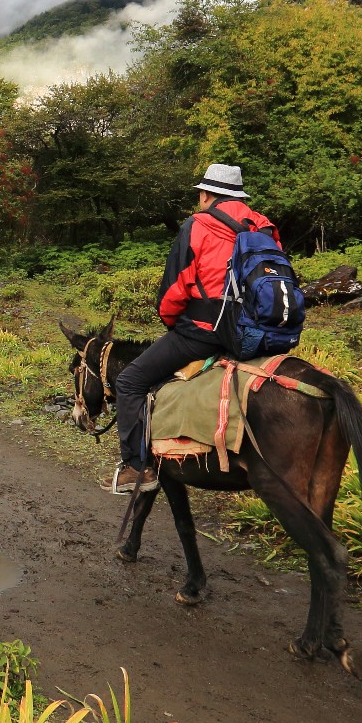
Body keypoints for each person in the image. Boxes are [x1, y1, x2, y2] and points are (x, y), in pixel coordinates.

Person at [107, 163, 280, 495]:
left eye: (200, 195)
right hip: (260, 334)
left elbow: (174, 290)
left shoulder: (197, 225)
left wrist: (174, 324)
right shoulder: (264, 226)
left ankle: (137, 468)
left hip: (206, 332)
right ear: (239, 197)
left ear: (206, 195)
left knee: (129, 381)